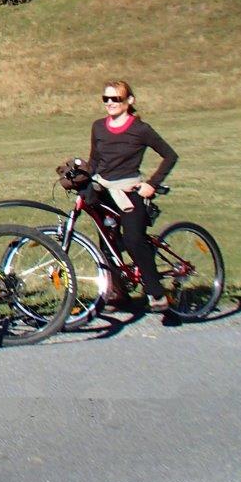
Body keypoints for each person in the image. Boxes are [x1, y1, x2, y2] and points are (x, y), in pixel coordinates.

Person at [83, 79, 177, 313]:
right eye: (106, 99)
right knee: (107, 243)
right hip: (104, 192)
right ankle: (118, 294)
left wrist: (152, 184)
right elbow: (95, 160)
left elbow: (170, 156)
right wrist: (83, 179)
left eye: (116, 98)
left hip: (129, 193)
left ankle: (156, 293)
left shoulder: (140, 129)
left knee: (134, 239)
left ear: (129, 101)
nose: (110, 103)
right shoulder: (98, 127)